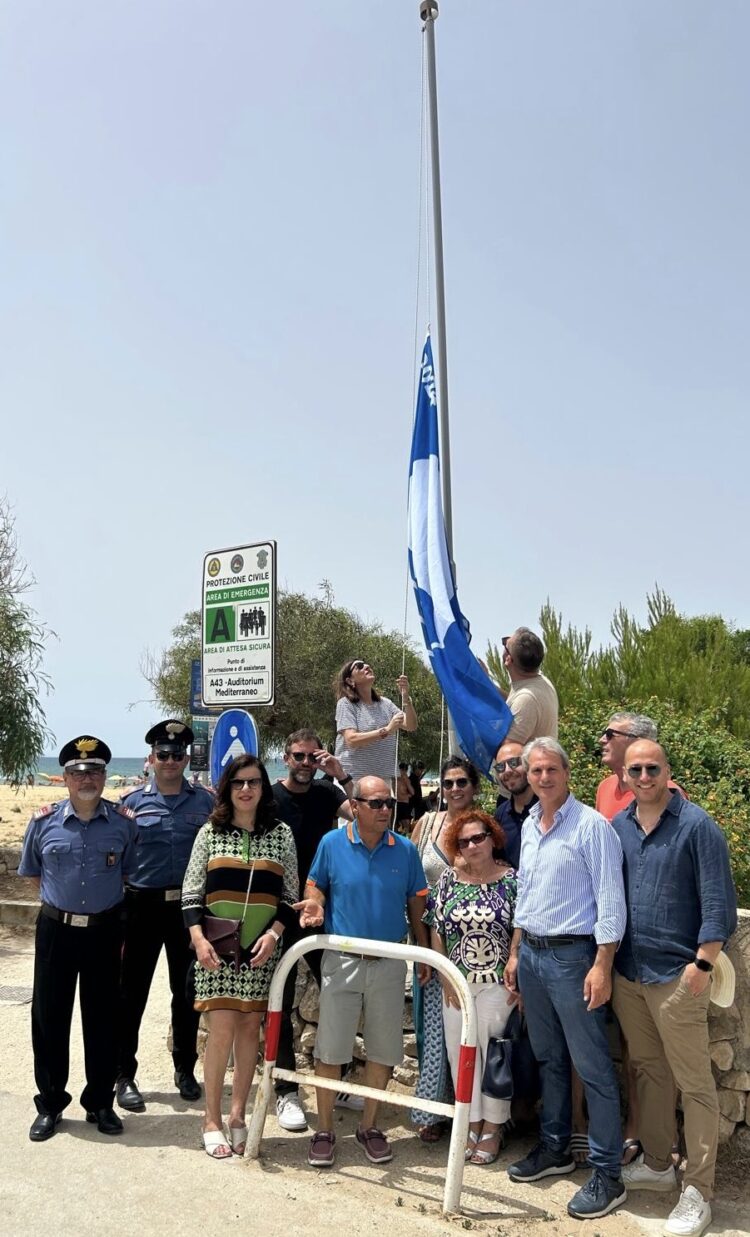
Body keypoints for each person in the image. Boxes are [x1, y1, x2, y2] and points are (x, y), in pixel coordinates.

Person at [613, 740, 737, 1237]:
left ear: (668, 772)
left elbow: (718, 904)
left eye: (652, 768)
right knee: (649, 1073)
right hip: (629, 975)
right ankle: (660, 1163)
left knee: (695, 1084)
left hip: (678, 976)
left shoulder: (697, 826)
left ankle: (699, 1191)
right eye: (635, 769)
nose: (644, 776)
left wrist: (702, 966)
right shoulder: (618, 827)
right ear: (624, 775)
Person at [504, 737, 627, 1221]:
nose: (543, 778)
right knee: (549, 1059)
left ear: (566, 772)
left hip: (575, 959)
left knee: (593, 1065)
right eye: (535, 771)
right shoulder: (532, 825)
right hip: (532, 954)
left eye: (551, 769)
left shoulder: (593, 827)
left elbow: (610, 900)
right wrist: (516, 952)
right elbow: (527, 895)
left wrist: (602, 963)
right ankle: (554, 1149)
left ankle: (607, 1173)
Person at [295, 775, 430, 1168]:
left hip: (389, 963)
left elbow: (415, 902)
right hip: (343, 960)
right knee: (331, 1048)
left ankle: (370, 1126)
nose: (385, 809)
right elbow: (314, 885)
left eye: (389, 803)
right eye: (376, 803)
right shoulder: (331, 843)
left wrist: (422, 949)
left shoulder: (405, 850)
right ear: (354, 806)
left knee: (385, 1049)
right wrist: (315, 904)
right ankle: (324, 1129)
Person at [18, 736, 137, 1141]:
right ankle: (51, 1104)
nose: (87, 778)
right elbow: (34, 874)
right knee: (50, 1019)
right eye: (78, 772)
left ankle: (100, 1103)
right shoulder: (42, 823)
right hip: (56, 930)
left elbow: (126, 873)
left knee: (104, 1018)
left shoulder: (123, 823)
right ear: (66, 778)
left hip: (104, 930)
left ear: (104, 777)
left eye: (95, 771)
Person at [181, 755, 298, 1159]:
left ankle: (237, 1115)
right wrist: (198, 939)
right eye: (237, 783)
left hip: (261, 952)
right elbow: (192, 893)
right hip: (215, 950)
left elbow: (290, 897)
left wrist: (274, 935)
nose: (246, 789)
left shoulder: (281, 835)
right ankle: (210, 1119)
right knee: (221, 1031)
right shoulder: (210, 833)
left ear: (264, 787)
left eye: (253, 782)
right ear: (227, 789)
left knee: (251, 1030)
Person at [116, 720, 215, 1112]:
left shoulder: (205, 803)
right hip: (140, 906)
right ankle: (124, 1074)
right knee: (130, 993)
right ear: (151, 759)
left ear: (187, 759)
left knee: (186, 992)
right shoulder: (131, 803)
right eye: (163, 754)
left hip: (187, 910)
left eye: (177, 755)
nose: (170, 761)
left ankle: (185, 1069)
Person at [271, 728, 353, 1133]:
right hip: (280, 911)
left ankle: (339, 1079)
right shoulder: (270, 796)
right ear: (286, 757)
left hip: (322, 908)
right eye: (298, 756)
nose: (305, 764)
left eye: (312, 757)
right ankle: (285, 1089)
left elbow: (365, 813)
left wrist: (341, 775)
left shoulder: (327, 792)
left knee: (336, 993)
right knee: (279, 1000)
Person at [427, 808, 517, 1165]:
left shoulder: (512, 880)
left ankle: (493, 1127)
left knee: (493, 1055)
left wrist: (515, 963)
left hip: (497, 983)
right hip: (457, 983)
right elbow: (435, 927)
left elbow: (520, 929)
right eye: (464, 841)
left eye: (478, 837)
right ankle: (471, 1122)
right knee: (460, 1054)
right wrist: (444, 972)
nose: (472, 845)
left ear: (492, 838)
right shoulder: (448, 880)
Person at [409, 755, 480, 1140]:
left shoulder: (481, 827)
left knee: (470, 1025)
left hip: (471, 941)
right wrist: (420, 943)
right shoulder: (426, 824)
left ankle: (471, 1112)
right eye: (448, 783)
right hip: (428, 939)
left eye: (462, 783)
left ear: (474, 787)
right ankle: (434, 1110)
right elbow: (412, 886)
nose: (454, 789)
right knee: (431, 1027)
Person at [333, 658, 417, 783]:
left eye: (366, 664)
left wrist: (406, 698)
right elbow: (351, 740)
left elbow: (411, 725)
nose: (366, 666)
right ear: (350, 681)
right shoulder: (346, 704)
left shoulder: (386, 704)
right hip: (353, 778)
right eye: (359, 666)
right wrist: (387, 730)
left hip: (382, 780)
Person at [496, 628, 558, 747]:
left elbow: (508, 751)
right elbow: (512, 701)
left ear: (508, 659)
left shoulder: (526, 700)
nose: (504, 643)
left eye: (505, 643)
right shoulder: (541, 682)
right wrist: (485, 683)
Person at [492, 740, 537, 869]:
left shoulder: (550, 809)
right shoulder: (500, 815)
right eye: (500, 767)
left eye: (513, 763)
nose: (507, 771)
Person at [395, 762, 413, 833]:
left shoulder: (404, 780)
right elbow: (412, 792)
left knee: (404, 823)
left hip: (401, 803)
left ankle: (406, 837)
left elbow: (412, 792)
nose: (403, 772)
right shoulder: (397, 779)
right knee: (400, 824)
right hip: (399, 803)